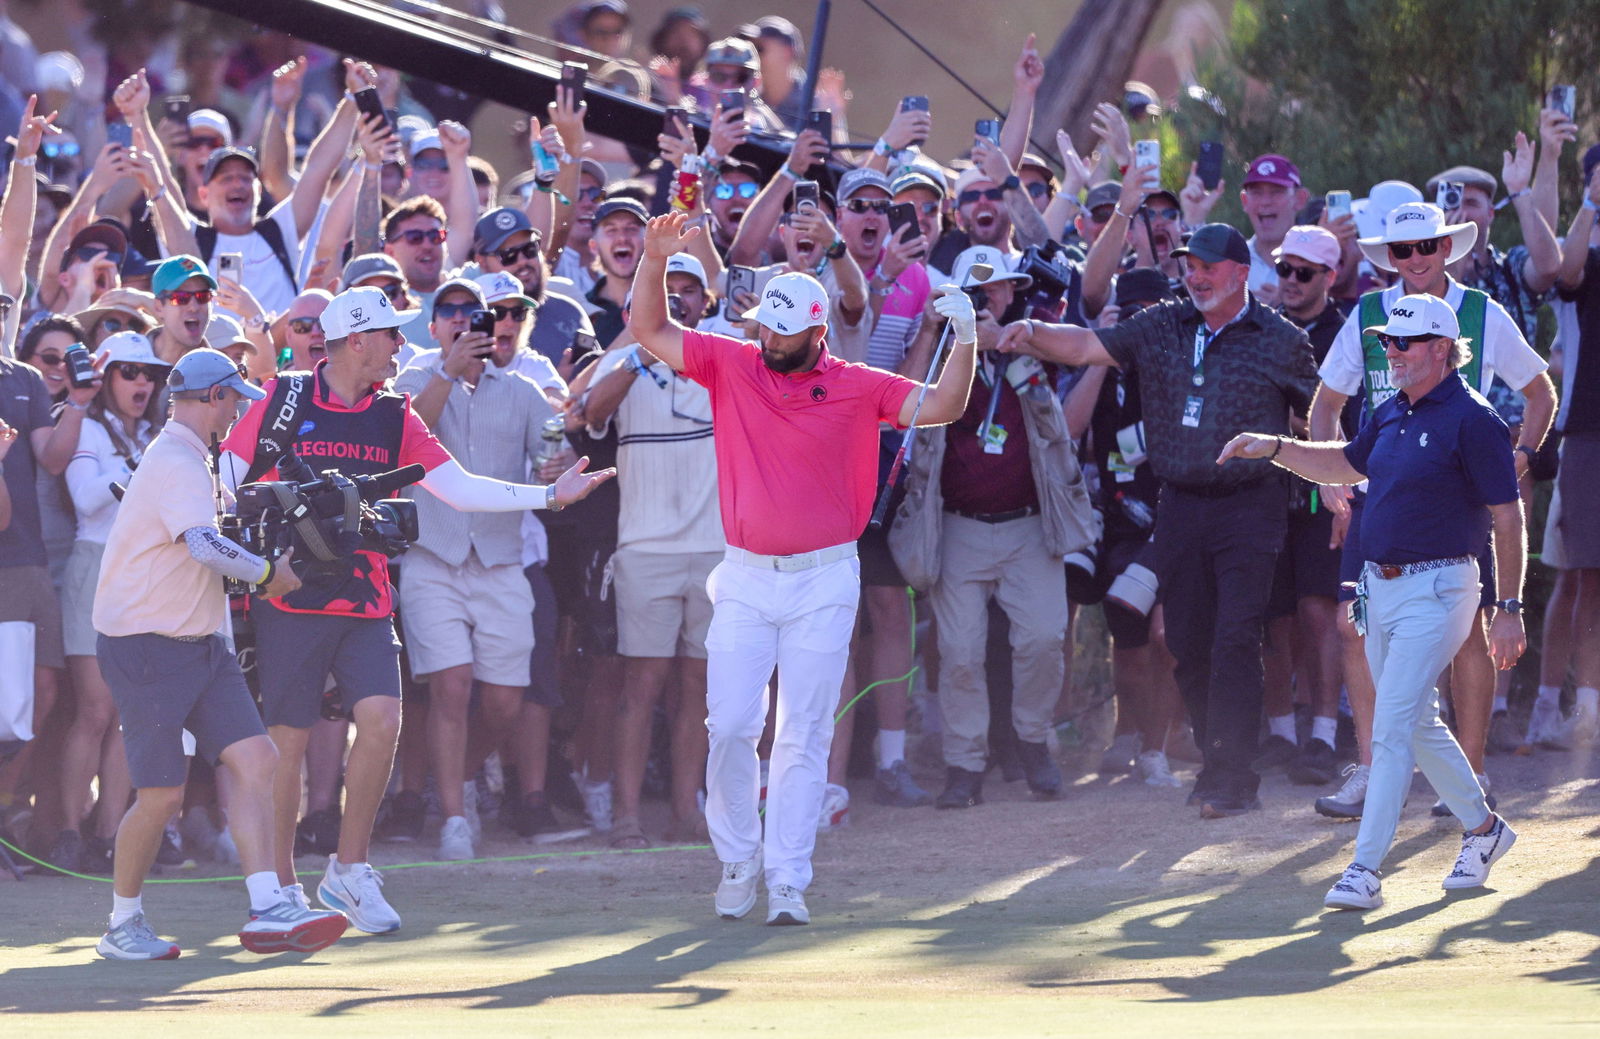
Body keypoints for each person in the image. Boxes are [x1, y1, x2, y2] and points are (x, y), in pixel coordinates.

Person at [215, 285, 613, 935]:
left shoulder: (397, 413)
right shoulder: (282, 399)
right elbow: (223, 482)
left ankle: (349, 869)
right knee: (286, 742)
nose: (403, 345)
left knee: (382, 719)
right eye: (392, 334)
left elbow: (456, 486)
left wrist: (549, 494)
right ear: (356, 341)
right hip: (289, 595)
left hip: (368, 595)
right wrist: (240, 563)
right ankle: (284, 886)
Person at [628, 211, 978, 926]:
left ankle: (787, 874)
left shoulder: (855, 383)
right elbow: (651, 330)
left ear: (817, 332)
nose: (766, 337)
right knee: (729, 724)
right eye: (762, 325)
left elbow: (943, 403)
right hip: (748, 575)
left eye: (781, 330)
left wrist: (965, 338)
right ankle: (737, 857)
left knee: (803, 730)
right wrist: (654, 261)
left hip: (825, 576)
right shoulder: (733, 362)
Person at [997, 222, 1318, 818]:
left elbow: (1319, 414)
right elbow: (1088, 346)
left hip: (1253, 505)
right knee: (1187, 640)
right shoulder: (1164, 323)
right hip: (1181, 504)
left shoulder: (1280, 338)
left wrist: (1340, 487)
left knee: (1234, 637)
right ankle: (1217, 754)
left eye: (1207, 266)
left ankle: (1232, 776)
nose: (1194, 275)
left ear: (1242, 273)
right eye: (1187, 265)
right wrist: (1031, 334)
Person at [1218, 294, 1524, 910]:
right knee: (1414, 725)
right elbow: (1343, 465)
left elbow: (1508, 516)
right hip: (1382, 591)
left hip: (1442, 588)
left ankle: (1363, 869)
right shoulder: (1390, 412)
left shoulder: (1476, 419)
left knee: (1387, 727)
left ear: (1442, 348)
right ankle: (1486, 830)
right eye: (1387, 341)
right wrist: (1276, 447)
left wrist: (1510, 608)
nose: (1391, 351)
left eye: (1403, 342)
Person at [90, 347, 349, 959]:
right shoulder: (175, 459)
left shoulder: (192, 457)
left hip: (200, 642)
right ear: (211, 398)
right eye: (232, 398)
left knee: (258, 760)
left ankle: (268, 907)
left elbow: (206, 545)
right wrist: (266, 573)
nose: (237, 410)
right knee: (161, 797)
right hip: (145, 644)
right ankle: (122, 925)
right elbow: (204, 543)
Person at [1312, 200, 1555, 813]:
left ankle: (1469, 779)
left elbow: (1539, 389)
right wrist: (1327, 480)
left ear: (1448, 248)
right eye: (1403, 250)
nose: (1416, 259)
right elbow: (1325, 404)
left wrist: (1520, 456)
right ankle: (1371, 771)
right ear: (1389, 257)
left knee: (1467, 635)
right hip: (1380, 493)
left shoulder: (1480, 311)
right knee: (1352, 626)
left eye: (1427, 247)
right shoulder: (1368, 313)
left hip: (1457, 498)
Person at [393, 278, 561, 861]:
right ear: (434, 324)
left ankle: (460, 773)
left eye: (474, 313)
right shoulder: (414, 379)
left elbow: (549, 453)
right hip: (431, 558)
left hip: (499, 560)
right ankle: (455, 820)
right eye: (451, 312)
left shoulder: (520, 391)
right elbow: (405, 440)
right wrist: (447, 370)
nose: (464, 321)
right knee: (451, 684)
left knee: (505, 702)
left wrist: (556, 464)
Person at [582, 253, 721, 847]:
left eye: (690, 292)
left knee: (699, 687)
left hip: (717, 548)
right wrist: (644, 351)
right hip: (644, 549)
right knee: (641, 684)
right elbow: (591, 414)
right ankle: (627, 816)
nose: (680, 301)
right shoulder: (620, 360)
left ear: (706, 303)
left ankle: (687, 810)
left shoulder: (728, 354)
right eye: (668, 291)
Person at [52, 332, 170, 874]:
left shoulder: (152, 432)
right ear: (106, 379)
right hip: (93, 566)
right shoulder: (90, 429)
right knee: (95, 711)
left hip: (142, 573)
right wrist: (142, 465)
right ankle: (69, 835)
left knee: (129, 715)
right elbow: (84, 498)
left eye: (149, 373)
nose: (142, 382)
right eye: (128, 371)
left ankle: (108, 837)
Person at [1541, 156, 1600, 745]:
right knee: (1588, 575)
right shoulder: (1587, 244)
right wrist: (1591, 203)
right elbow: (1565, 274)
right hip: (1590, 432)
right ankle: (1587, 713)